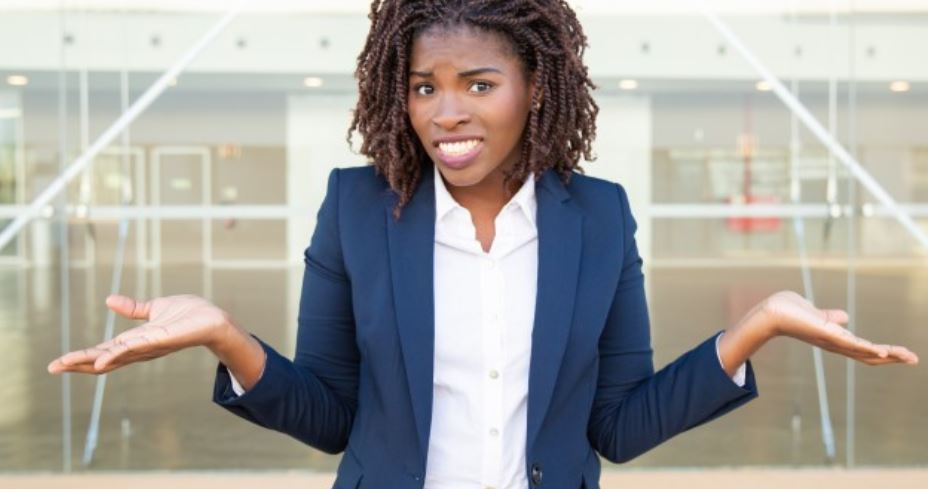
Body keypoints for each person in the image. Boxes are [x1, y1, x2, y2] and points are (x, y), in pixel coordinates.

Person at [48, 1, 918, 488]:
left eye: (478, 83)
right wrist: (225, 337)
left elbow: (616, 426)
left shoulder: (598, 217)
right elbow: (331, 418)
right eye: (424, 86)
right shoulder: (358, 208)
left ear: (535, 88)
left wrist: (758, 322)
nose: (445, 111)